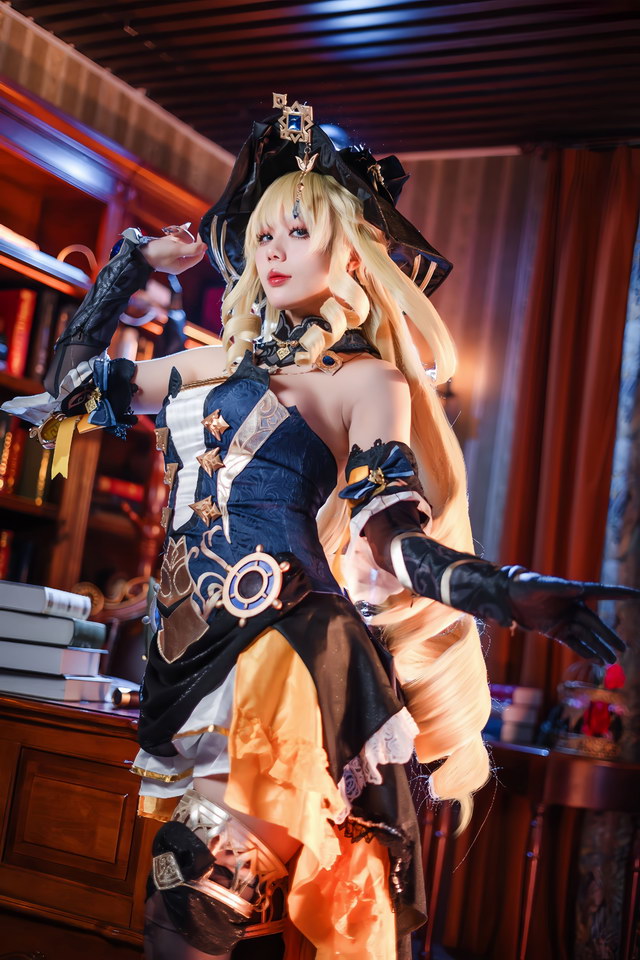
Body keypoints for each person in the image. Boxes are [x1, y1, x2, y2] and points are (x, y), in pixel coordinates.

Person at [3, 94, 635, 960]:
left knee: (184, 920)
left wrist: (508, 591)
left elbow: (389, 535)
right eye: (264, 233)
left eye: (298, 232)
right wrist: (128, 261)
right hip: (186, 659)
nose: (272, 251)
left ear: (349, 254)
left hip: (285, 655)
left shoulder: (369, 382)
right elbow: (72, 385)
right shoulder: (214, 361)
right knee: (209, 926)